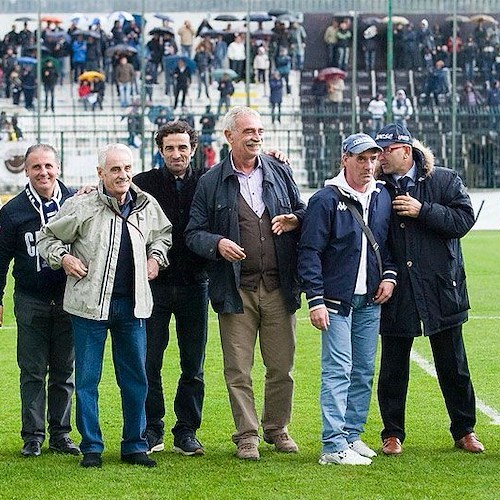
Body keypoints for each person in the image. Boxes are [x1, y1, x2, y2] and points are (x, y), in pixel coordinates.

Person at [38, 143, 172, 468]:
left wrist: (156, 257)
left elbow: (163, 235)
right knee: (86, 380)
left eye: (127, 168)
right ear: (101, 173)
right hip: (89, 308)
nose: (122, 175)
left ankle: (134, 445)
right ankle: (92, 447)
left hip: (132, 307)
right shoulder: (81, 205)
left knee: (135, 378)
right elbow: (46, 238)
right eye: (115, 169)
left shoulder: (146, 205)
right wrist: (64, 258)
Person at [185, 106, 305, 460]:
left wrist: (295, 219)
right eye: (248, 131)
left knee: (281, 366)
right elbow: (193, 233)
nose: (255, 136)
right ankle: (247, 435)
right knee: (238, 369)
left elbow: (302, 210)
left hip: (278, 288)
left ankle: (277, 428)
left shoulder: (280, 170)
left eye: (260, 131)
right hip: (235, 290)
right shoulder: (210, 181)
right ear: (229, 136)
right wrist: (217, 244)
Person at [374, 122, 484, 456]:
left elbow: (463, 221)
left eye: (386, 150)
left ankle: (465, 430)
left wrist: (424, 211)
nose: (379, 157)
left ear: (405, 151)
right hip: (398, 288)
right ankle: (392, 434)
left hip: (441, 286)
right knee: (394, 366)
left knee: (453, 364)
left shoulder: (445, 179)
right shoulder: (377, 188)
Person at [298, 133, 396, 466]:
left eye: (373, 158)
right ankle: (331, 445)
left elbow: (387, 245)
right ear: (345, 159)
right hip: (335, 301)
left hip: (370, 301)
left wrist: (389, 277)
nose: (368, 165)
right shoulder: (325, 199)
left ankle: (351, 436)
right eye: (361, 158)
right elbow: (309, 251)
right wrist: (315, 299)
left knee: (364, 370)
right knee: (338, 370)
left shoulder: (382, 196)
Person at [133, 121, 209, 457]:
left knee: (193, 363)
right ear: (160, 150)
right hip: (154, 287)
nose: (176, 154)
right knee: (150, 361)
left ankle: (187, 430)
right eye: (169, 148)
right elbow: (113, 196)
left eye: (182, 147)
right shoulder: (143, 184)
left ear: (193, 148)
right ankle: (152, 428)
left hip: (196, 284)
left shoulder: (210, 180)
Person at [0, 144, 79, 458]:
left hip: (68, 298)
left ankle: (61, 435)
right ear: (26, 170)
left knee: (64, 371)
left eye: (48, 166)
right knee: (32, 371)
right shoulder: (12, 211)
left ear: (58, 167)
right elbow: (1, 258)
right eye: (36, 167)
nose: (43, 172)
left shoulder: (76, 202)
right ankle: (32, 437)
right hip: (30, 299)